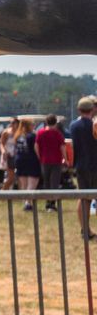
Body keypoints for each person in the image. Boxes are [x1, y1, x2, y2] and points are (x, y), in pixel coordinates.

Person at [70, 96, 97, 241]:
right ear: (92, 109)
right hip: (94, 165)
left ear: (79, 109)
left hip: (81, 165)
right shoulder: (94, 125)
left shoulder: (74, 126)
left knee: (83, 198)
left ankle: (84, 229)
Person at [35, 113, 67, 200]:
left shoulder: (40, 133)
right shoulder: (58, 134)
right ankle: (52, 202)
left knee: (46, 181)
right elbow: (62, 147)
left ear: (46, 122)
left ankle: (48, 201)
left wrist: (39, 157)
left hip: (44, 161)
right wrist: (65, 159)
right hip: (56, 161)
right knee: (55, 182)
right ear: (55, 122)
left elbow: (36, 146)